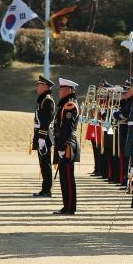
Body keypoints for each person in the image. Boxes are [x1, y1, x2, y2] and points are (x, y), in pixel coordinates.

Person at [54, 78, 80, 215]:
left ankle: (70, 207)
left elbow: (67, 129)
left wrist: (62, 147)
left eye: (62, 89)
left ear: (69, 90)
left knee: (68, 177)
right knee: (64, 177)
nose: (59, 91)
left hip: (67, 145)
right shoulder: (65, 104)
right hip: (65, 144)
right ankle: (67, 206)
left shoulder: (69, 105)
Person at [32, 76, 56, 197]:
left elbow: (46, 121)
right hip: (41, 134)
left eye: (39, 85)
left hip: (44, 136)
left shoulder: (47, 100)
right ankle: (45, 188)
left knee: (45, 163)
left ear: (45, 86)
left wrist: (42, 137)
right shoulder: (42, 99)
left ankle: (47, 189)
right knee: (43, 163)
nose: (37, 87)